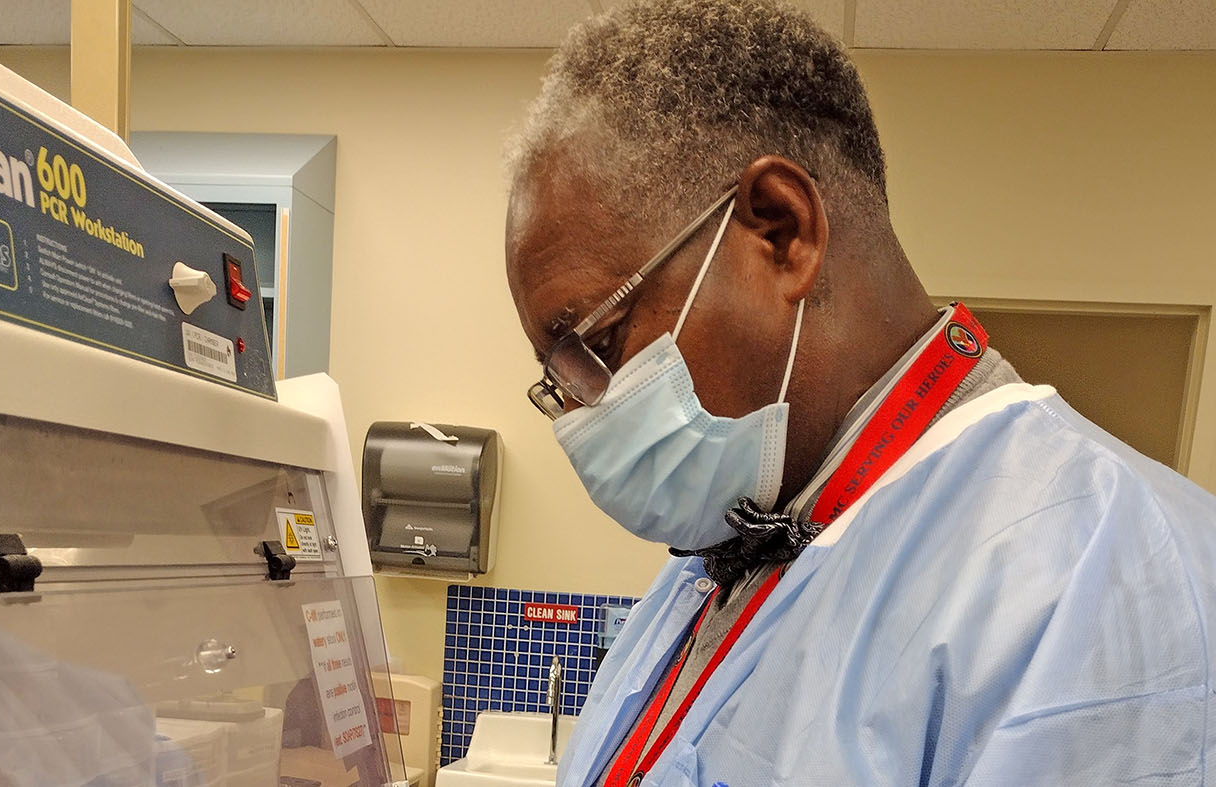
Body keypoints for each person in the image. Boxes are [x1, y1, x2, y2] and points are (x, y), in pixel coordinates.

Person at [502, 1, 1216, 784]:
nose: (581, 412)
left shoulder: (1096, 579)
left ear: (782, 232)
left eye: (594, 345)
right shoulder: (726, 558)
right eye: (558, 378)